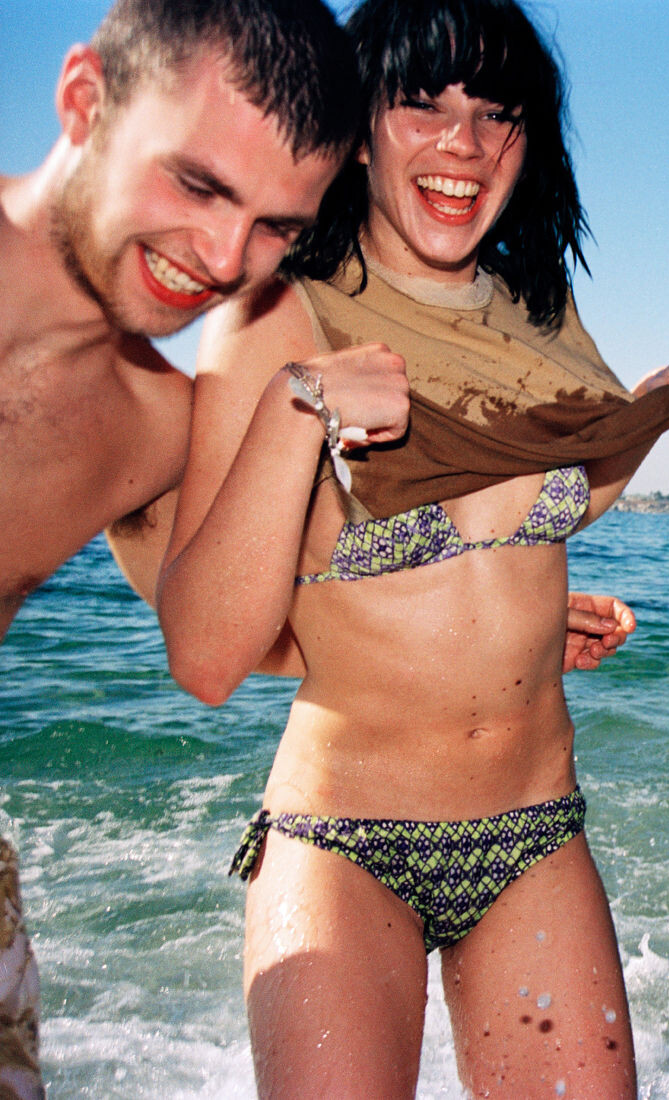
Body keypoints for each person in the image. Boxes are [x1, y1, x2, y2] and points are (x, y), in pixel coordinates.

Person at [155, 0, 669, 1094]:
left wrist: (655, 405)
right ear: (357, 131)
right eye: (422, 104)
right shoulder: (278, 315)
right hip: (345, 839)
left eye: (496, 113)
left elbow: (551, 497)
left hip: (536, 828)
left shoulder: (540, 310)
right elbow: (205, 654)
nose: (463, 144)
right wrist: (299, 405)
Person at [0, 3, 361, 1094]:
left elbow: (241, 636)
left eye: (275, 227)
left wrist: (487, 631)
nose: (222, 258)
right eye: (198, 185)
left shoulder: (156, 426)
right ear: (84, 100)